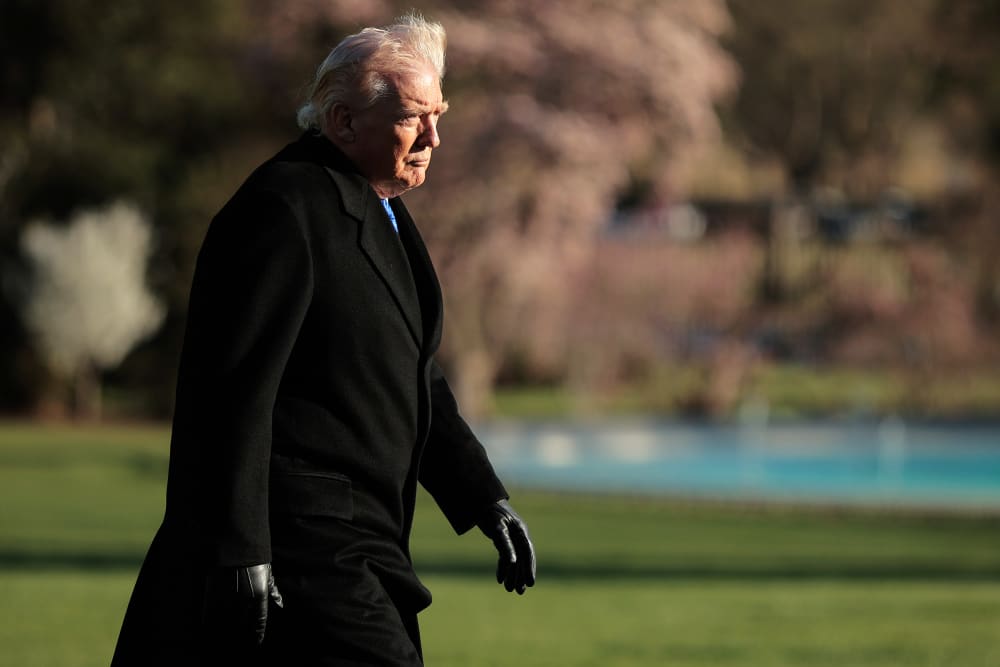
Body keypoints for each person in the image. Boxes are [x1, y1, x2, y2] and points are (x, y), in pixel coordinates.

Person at [111, 14, 535, 667]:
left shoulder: (382, 208)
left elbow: (414, 373)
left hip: (363, 547)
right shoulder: (284, 208)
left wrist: (484, 496)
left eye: (437, 114)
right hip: (301, 547)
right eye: (412, 117)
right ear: (341, 122)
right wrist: (239, 549)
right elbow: (230, 396)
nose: (434, 136)